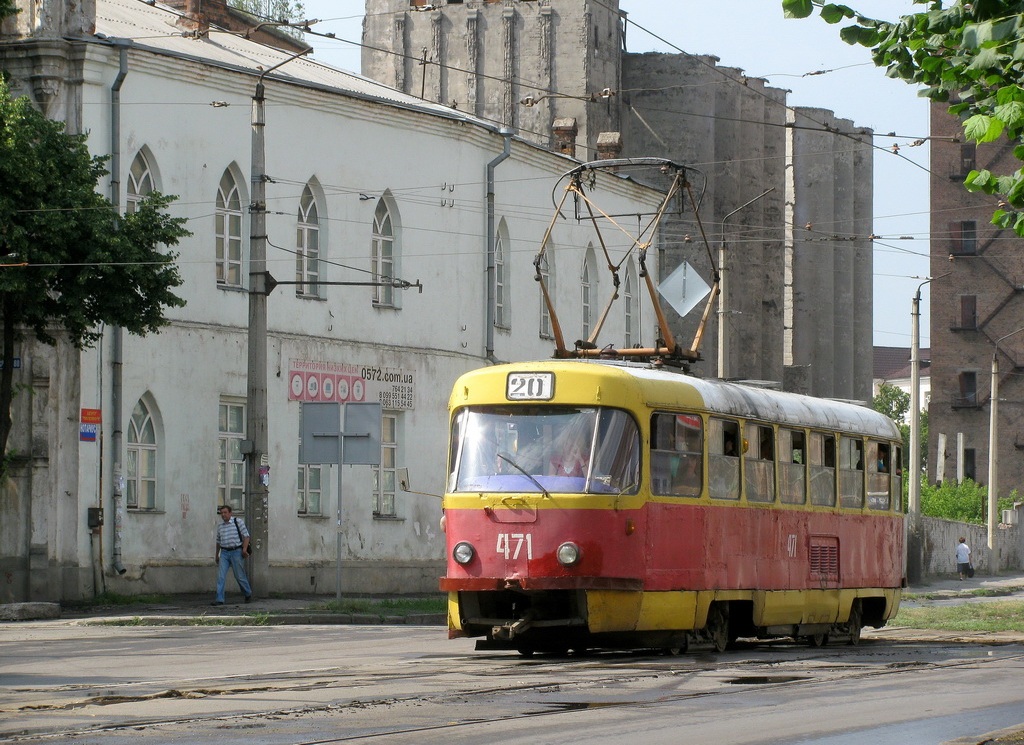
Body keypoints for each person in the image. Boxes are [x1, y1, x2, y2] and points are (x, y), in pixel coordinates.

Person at [214, 504, 252, 605]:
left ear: (230, 513)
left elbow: (246, 536)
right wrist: (217, 555)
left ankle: (247, 593)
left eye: (225, 512)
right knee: (221, 576)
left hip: (236, 551)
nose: (223, 515)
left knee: (239, 575)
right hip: (224, 553)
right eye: (221, 513)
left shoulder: (237, 522)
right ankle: (219, 599)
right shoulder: (220, 527)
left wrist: (244, 550)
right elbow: (218, 542)